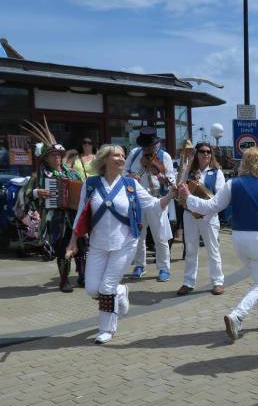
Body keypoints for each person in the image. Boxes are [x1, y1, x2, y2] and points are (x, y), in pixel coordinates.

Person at [66, 145, 176, 343]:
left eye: (123, 156)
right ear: (105, 159)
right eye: (116, 155)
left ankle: (107, 329)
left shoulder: (130, 184)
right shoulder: (90, 184)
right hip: (98, 245)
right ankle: (121, 291)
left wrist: (170, 196)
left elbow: (153, 204)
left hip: (125, 244)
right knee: (92, 289)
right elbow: (81, 213)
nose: (122, 159)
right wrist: (73, 241)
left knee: (106, 287)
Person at [180, 147, 258, 342]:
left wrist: (189, 197)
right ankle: (238, 315)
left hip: (239, 239)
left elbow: (211, 206)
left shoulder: (232, 184)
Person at [26, 143, 86, 292]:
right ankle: (64, 280)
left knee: (81, 247)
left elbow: (83, 190)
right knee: (62, 248)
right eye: (53, 155)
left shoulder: (72, 173)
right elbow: (26, 194)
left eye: (59, 155)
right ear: (46, 158)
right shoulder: (39, 175)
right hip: (57, 219)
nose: (57, 158)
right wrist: (36, 192)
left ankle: (83, 276)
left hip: (74, 216)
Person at [125, 128, 175, 281]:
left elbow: (172, 181)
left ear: (155, 144)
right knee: (139, 236)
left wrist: (161, 177)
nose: (147, 149)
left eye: (150, 146)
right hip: (137, 200)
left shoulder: (164, 156)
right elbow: (123, 173)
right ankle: (139, 265)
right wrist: (131, 176)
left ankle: (164, 268)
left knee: (160, 236)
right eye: (145, 146)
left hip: (157, 200)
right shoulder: (134, 154)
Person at [177, 142, 225, 296]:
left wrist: (206, 209)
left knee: (213, 249)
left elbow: (220, 197)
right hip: (189, 214)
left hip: (208, 216)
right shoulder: (189, 171)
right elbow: (181, 188)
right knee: (190, 249)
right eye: (202, 151)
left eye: (208, 152)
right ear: (196, 154)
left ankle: (218, 282)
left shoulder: (217, 173)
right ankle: (188, 282)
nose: (206, 154)